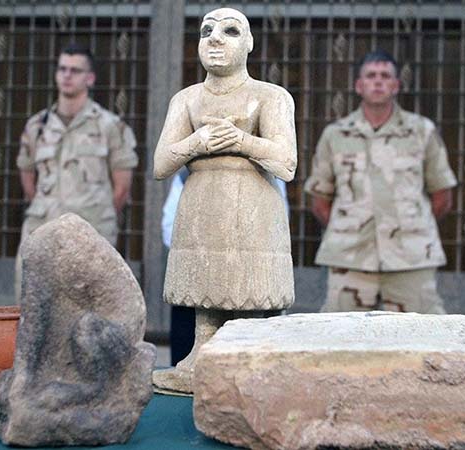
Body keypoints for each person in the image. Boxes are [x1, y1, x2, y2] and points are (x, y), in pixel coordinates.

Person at [152, 7, 297, 394]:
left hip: (252, 204)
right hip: (201, 201)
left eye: (230, 31)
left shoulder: (271, 97)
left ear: (249, 44)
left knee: (247, 285)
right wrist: (196, 143)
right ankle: (200, 356)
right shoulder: (186, 100)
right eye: (206, 31)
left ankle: (249, 357)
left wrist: (243, 141)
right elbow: (161, 164)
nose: (215, 38)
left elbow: (286, 163)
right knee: (205, 285)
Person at [304, 50, 457, 314]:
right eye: (371, 76)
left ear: (396, 85)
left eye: (385, 76)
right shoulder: (335, 134)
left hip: (410, 258)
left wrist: (408, 227)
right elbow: (320, 201)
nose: (378, 82)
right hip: (350, 257)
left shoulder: (421, 131)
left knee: (422, 337)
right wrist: (352, 227)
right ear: (359, 85)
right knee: (338, 337)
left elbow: (442, 196)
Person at [15, 43, 138, 301]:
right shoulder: (37, 125)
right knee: (31, 309)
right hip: (41, 231)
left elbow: (122, 188)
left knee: (88, 312)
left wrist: (94, 215)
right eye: (62, 69)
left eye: (75, 70)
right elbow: (28, 176)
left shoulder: (111, 126)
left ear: (90, 78)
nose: (67, 75)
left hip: (91, 234)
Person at [161, 167, 290, 365]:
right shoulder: (191, 174)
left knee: (250, 356)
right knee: (192, 349)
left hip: (249, 278)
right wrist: (209, 254)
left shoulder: (269, 175)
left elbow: (274, 229)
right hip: (200, 277)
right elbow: (170, 225)